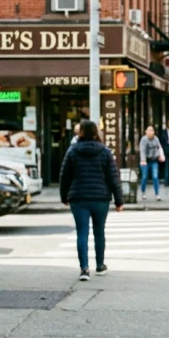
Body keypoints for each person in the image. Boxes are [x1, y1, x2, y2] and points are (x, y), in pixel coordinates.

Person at [59, 120, 124, 281]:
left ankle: (84, 269)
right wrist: (119, 200)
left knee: (82, 232)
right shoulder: (105, 152)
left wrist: (64, 196)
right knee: (99, 232)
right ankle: (100, 265)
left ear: (80, 132)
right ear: (96, 132)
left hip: (78, 197)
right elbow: (113, 177)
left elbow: (64, 176)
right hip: (100, 198)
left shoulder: (73, 151)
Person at [139, 125, 165, 201]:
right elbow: (142, 151)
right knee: (144, 177)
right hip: (145, 160)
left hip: (154, 160)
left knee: (155, 177)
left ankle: (157, 194)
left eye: (152, 130)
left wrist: (160, 156)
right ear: (146, 132)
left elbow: (159, 148)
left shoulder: (156, 139)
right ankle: (143, 192)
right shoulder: (144, 139)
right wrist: (143, 160)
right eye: (149, 130)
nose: (150, 132)